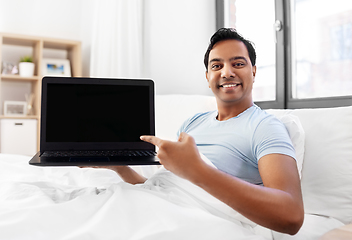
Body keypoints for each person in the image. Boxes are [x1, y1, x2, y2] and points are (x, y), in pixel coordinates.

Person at [106, 28, 304, 235]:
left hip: (183, 220)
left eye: (238, 64)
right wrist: (120, 167)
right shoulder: (193, 123)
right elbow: (166, 190)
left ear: (253, 72)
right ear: (208, 77)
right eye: (217, 66)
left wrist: (197, 170)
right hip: (153, 207)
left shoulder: (265, 127)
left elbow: (291, 216)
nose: (226, 72)